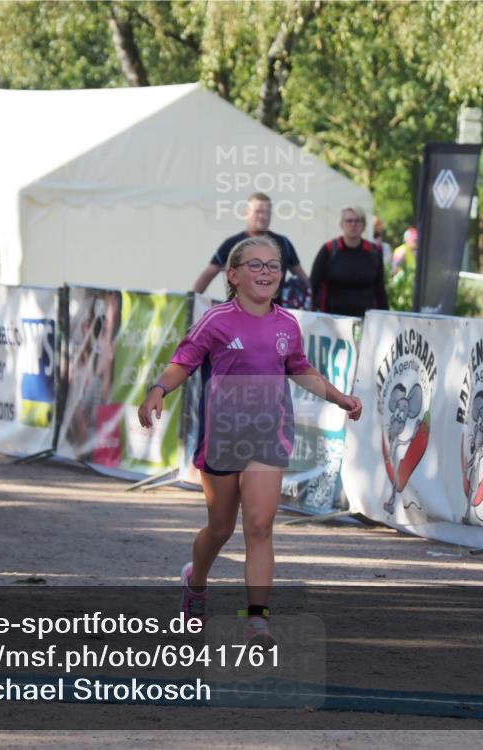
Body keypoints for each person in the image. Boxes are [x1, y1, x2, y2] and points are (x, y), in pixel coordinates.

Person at [139, 235, 362, 643]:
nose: (266, 272)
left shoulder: (286, 324)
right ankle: (196, 581)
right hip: (224, 436)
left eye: (273, 265)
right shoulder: (216, 320)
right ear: (234, 275)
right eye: (255, 265)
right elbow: (183, 361)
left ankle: (257, 618)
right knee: (220, 528)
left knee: (259, 526)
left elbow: (300, 368)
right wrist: (157, 390)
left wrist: (339, 397)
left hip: (268, 434)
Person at [191, 192, 309, 302]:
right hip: (240, 315)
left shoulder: (284, 243)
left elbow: (303, 279)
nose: (262, 216)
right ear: (246, 213)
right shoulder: (232, 244)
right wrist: (190, 302)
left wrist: (314, 303)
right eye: (258, 211)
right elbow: (208, 274)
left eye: (267, 212)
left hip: (275, 316)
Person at [310, 207, 389, 317]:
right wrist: (312, 314)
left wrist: (385, 316)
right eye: (349, 221)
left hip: (365, 320)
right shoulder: (328, 249)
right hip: (331, 320)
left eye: (358, 221)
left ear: (364, 226)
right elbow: (314, 284)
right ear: (341, 224)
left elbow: (380, 288)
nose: (353, 224)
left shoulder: (374, 252)